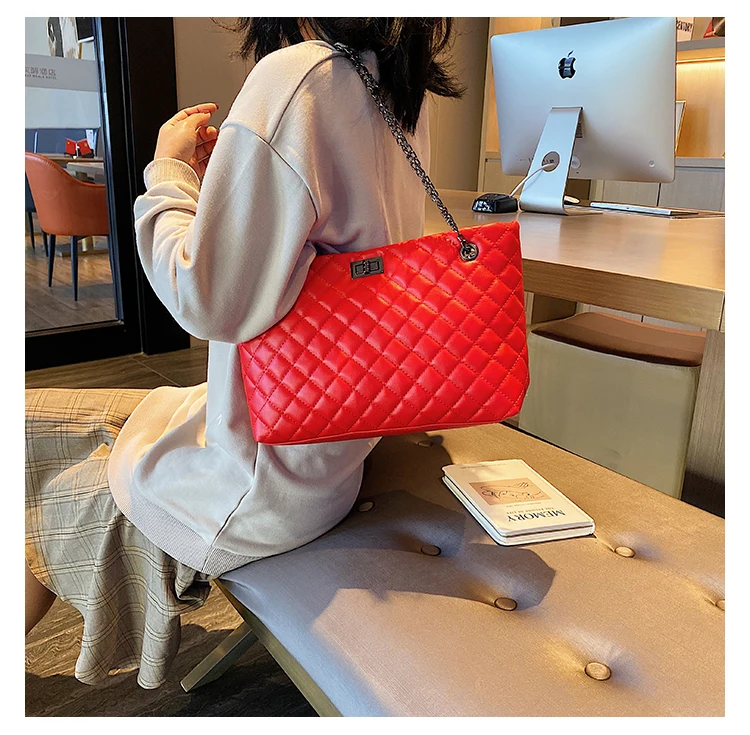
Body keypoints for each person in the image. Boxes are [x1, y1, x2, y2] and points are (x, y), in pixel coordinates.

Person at [25, 17, 463, 689]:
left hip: (255, 474)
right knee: (33, 426)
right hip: (329, 447)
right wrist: (232, 185)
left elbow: (204, 299)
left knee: (41, 490)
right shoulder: (398, 85)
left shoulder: (296, 79)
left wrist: (168, 170)